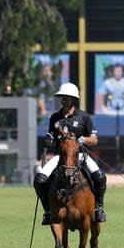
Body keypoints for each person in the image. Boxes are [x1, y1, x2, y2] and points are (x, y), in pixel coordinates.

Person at [33, 82, 108, 225]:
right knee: (39, 180)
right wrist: (49, 140)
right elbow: (52, 140)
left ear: (73, 99)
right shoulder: (55, 117)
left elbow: (94, 140)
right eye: (61, 97)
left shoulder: (84, 117)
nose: (63, 100)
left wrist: (84, 139)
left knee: (100, 177)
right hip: (60, 156)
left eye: (66, 98)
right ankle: (48, 212)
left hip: (80, 155)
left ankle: (99, 208)